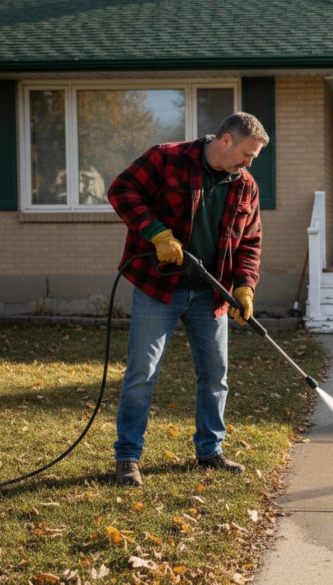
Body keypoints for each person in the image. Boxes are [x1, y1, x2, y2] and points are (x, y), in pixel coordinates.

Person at [107, 112, 269, 486]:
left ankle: (210, 451)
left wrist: (244, 287)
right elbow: (121, 190)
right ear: (225, 140)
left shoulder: (245, 186)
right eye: (247, 154)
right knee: (141, 374)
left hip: (210, 294)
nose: (249, 163)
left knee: (215, 376)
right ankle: (128, 456)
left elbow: (250, 243)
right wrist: (157, 233)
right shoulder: (167, 158)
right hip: (157, 287)